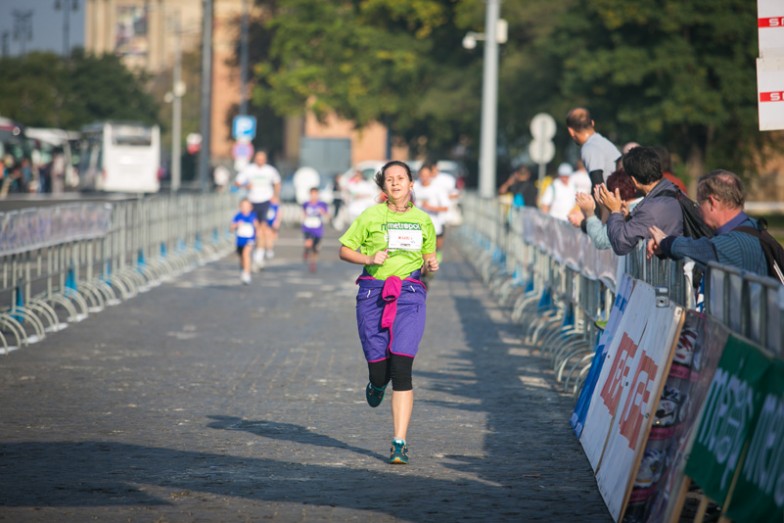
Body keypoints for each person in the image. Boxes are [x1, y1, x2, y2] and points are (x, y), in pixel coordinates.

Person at [338, 160, 439, 465]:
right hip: (373, 294)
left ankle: (399, 442)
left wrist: (431, 263)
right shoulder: (370, 216)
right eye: (390, 179)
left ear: (411, 184)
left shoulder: (423, 220)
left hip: (409, 294)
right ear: (383, 186)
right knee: (380, 371)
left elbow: (428, 254)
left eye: (401, 178)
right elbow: (345, 250)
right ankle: (376, 382)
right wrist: (369, 257)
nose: (395, 183)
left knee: (402, 368)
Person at [647, 169, 768, 276]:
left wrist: (665, 241)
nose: (699, 209)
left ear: (712, 202)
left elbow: (699, 249)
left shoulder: (735, 242)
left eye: (700, 203)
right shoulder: (750, 226)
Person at [599, 146, 683, 255]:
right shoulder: (672, 191)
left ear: (634, 180)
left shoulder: (651, 209)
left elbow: (620, 244)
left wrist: (614, 211)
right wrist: (628, 218)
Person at [571, 169, 641, 250]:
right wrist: (605, 208)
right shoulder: (643, 205)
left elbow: (601, 240)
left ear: (614, 194)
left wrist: (589, 212)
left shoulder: (626, 213)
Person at [234, 150, 281, 269]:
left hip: (265, 201)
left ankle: (259, 257)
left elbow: (277, 183)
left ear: (265, 159)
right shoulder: (249, 169)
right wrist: (246, 186)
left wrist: (275, 196)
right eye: (258, 159)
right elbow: (237, 182)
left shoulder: (270, 170)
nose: (260, 161)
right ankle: (252, 253)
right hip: (252, 202)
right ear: (255, 159)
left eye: (262, 159)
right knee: (255, 229)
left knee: (263, 228)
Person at [566, 107, 622, 183]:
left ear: (571, 131)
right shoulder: (603, 142)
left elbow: (597, 183)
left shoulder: (589, 147)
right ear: (592, 123)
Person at [414, 161, 451, 262]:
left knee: (434, 248)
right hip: (417, 224)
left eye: (427, 175)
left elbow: (446, 207)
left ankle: (435, 259)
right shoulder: (414, 187)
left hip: (434, 223)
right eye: (422, 175)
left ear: (431, 175)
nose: (424, 177)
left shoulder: (437, 189)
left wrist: (430, 207)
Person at [229, 198, 259, 285]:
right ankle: (244, 269)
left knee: (246, 254)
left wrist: (257, 236)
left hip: (249, 240)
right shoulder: (238, 216)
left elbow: (258, 227)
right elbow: (231, 228)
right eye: (243, 206)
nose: (245, 208)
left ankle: (247, 274)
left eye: (247, 206)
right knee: (242, 257)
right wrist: (236, 225)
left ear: (250, 207)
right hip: (240, 240)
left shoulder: (253, 216)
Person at [302, 186, 330, 272]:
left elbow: (327, 216)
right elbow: (303, 213)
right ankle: (306, 251)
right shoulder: (306, 204)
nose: (313, 196)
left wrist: (323, 212)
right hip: (308, 227)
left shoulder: (322, 204)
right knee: (308, 243)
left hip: (317, 228)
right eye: (312, 194)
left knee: (315, 248)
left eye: (315, 194)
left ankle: (313, 263)